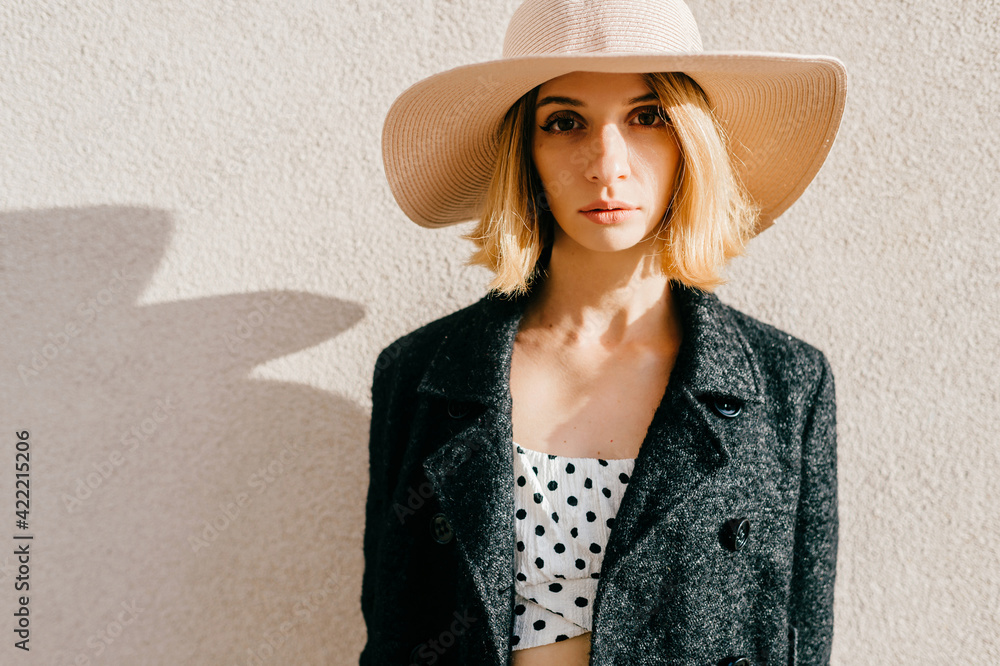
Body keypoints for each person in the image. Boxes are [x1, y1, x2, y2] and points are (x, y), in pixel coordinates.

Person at [364, 0, 846, 664]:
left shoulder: (786, 383)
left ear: (689, 141)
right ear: (524, 152)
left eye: (648, 116)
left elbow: (802, 639)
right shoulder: (423, 372)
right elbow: (394, 629)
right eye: (565, 122)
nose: (606, 163)